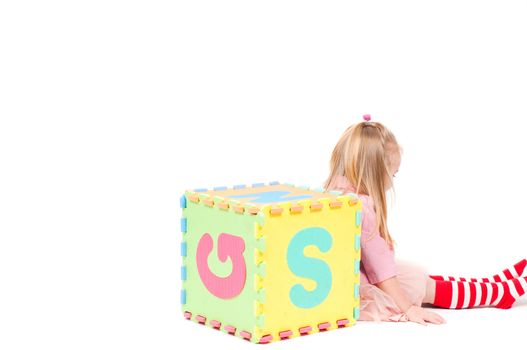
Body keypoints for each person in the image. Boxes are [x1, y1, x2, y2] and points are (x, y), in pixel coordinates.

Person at [324, 114, 527, 325]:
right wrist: (409, 308)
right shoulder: (361, 207)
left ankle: (491, 283)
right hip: (364, 287)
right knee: (427, 288)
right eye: (392, 174)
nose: (392, 182)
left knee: (423, 281)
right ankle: (495, 293)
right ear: (376, 172)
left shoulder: (334, 193)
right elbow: (381, 269)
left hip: (354, 277)